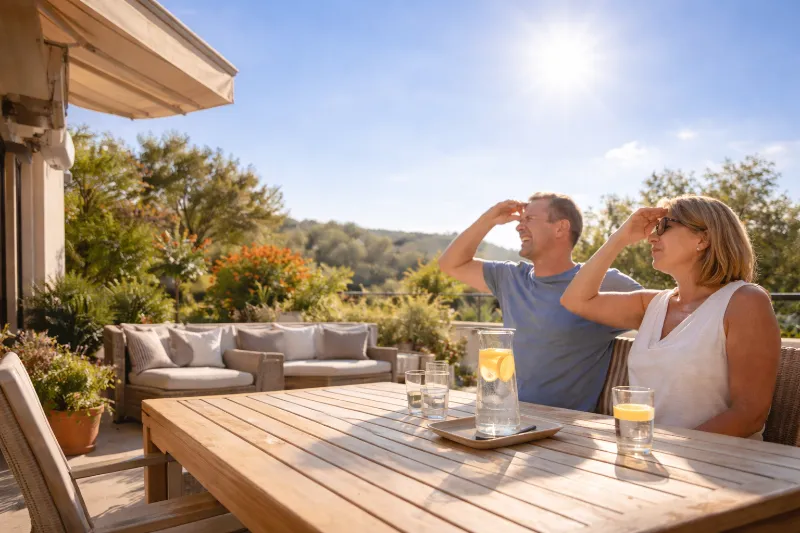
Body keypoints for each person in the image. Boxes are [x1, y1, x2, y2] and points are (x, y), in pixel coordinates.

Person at [560, 194, 780, 438]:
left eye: (664, 226)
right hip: (649, 456)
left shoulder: (745, 302)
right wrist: (620, 237)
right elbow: (574, 300)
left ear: (703, 238)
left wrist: (673, 451)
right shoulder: (652, 305)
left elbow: (749, 413)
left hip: (720, 465)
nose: (651, 236)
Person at [439, 192, 642, 411]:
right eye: (520, 220)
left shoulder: (603, 281)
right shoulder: (510, 277)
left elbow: (662, 314)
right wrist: (489, 219)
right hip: (505, 418)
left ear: (560, 228)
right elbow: (451, 264)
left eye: (529, 219)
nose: (519, 227)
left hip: (563, 433)